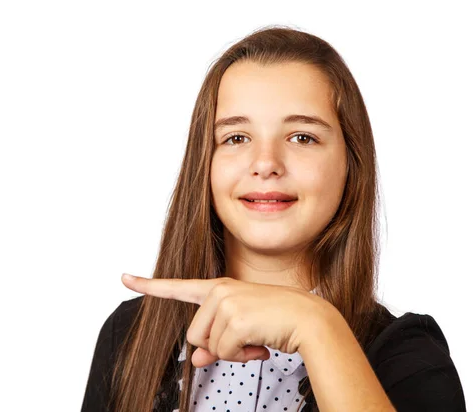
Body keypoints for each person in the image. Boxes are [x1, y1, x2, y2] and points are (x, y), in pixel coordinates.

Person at [81, 25, 466, 412]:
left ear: (352, 164)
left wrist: (315, 326)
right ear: (205, 164)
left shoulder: (411, 358)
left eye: (302, 137)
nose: (265, 164)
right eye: (235, 138)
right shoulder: (129, 336)